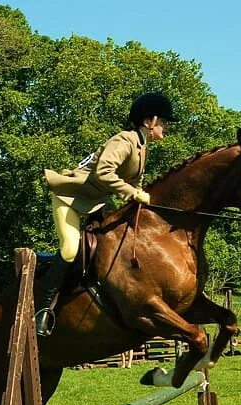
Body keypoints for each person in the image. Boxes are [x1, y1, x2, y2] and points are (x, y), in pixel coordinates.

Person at [35, 91, 176, 336]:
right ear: (148, 122)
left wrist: (145, 202)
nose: (165, 127)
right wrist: (132, 193)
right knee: (70, 248)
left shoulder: (142, 147)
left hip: (97, 201)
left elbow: (137, 182)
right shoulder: (124, 140)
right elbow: (103, 173)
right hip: (70, 197)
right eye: (162, 121)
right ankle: (42, 309)